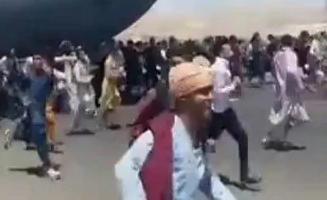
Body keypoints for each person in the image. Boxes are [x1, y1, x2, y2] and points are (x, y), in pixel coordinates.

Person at [114, 61, 236, 199]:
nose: (211, 97)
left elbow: (205, 177)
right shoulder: (159, 137)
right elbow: (125, 170)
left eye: (210, 91)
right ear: (184, 99)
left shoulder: (196, 135)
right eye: (203, 92)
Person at [207, 42, 261, 185]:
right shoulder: (219, 69)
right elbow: (218, 92)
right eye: (227, 48)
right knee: (207, 143)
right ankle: (204, 172)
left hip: (225, 110)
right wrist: (234, 85)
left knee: (242, 138)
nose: (231, 50)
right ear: (221, 51)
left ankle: (245, 174)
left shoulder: (224, 66)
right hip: (218, 112)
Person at [262, 34, 310, 149]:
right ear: (292, 43)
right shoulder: (291, 55)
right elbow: (292, 72)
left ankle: (275, 137)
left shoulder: (277, 55)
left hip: (280, 88)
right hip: (290, 90)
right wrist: (300, 85)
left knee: (283, 114)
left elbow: (275, 71)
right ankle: (275, 137)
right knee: (293, 114)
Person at [26, 55, 61, 180]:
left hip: (40, 110)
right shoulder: (29, 76)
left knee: (40, 136)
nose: (37, 61)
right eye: (35, 58)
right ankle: (46, 163)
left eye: (40, 58)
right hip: (32, 110)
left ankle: (47, 164)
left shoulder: (47, 76)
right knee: (37, 138)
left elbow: (54, 86)